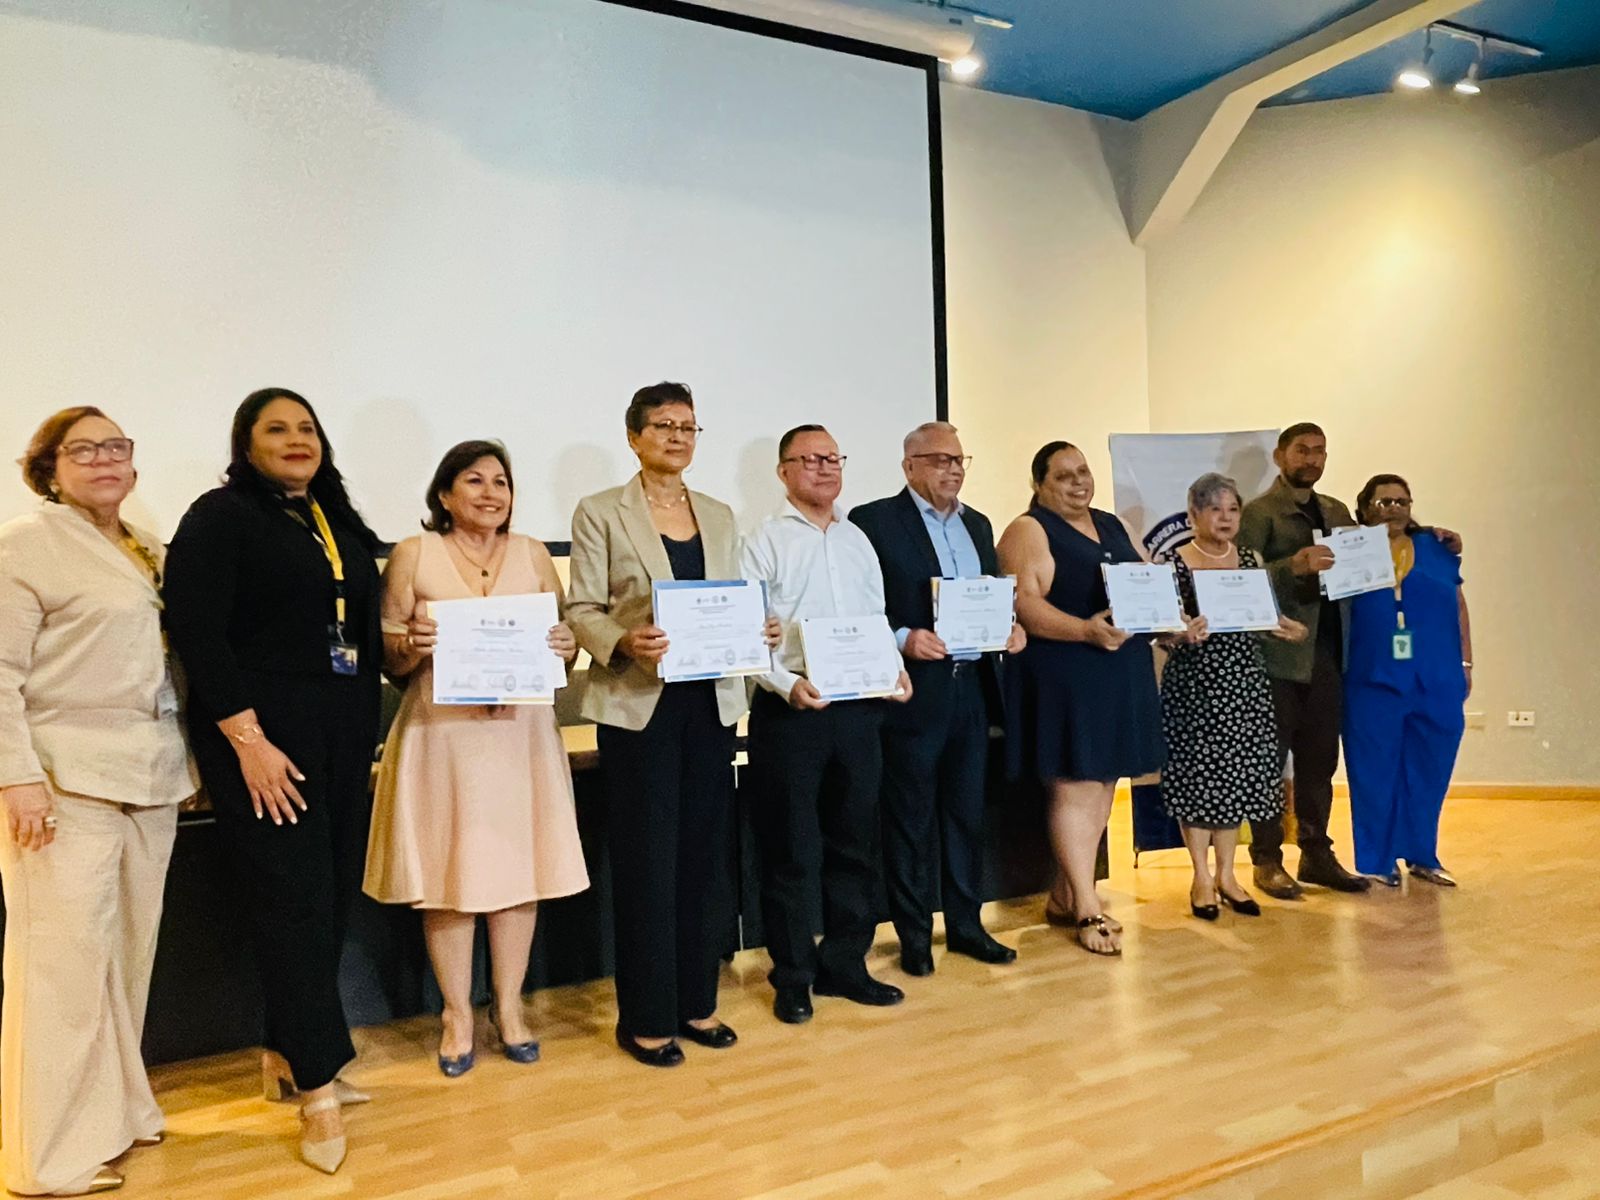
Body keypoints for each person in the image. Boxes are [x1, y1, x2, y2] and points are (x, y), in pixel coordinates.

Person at [164, 388, 382, 1175]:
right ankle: (317, 1091)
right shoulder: (220, 517)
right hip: (264, 743)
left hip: (340, 740)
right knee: (292, 904)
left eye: (307, 428)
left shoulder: (334, 520)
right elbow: (198, 633)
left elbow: (355, 629)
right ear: (246, 444)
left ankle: (287, 1054)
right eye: (277, 429)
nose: (297, 439)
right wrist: (247, 742)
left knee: (330, 897)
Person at [0, 409, 197, 1197]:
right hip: (60, 778)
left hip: (149, 775)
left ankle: (116, 1115)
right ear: (49, 469)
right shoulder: (25, 545)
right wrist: (16, 777)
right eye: (83, 450)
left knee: (124, 960)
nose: (104, 459)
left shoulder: (145, 548)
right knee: (63, 969)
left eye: (116, 446)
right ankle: (46, 1159)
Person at [567, 383, 779, 1068]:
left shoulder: (718, 514)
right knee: (647, 865)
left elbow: (729, 600)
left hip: (710, 705)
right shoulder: (600, 511)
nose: (678, 437)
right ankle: (647, 1018)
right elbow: (582, 609)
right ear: (634, 437)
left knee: (703, 863)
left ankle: (697, 1002)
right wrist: (624, 642)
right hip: (640, 709)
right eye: (663, 425)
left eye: (688, 426)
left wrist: (759, 628)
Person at [364, 441, 589, 1076]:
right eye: (474, 481)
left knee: (521, 871)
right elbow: (389, 657)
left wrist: (565, 644)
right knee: (449, 878)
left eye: (501, 482)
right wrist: (412, 645)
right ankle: (457, 1013)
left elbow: (563, 644)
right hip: (443, 737)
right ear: (444, 493)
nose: (491, 493)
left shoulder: (534, 553)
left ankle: (509, 1007)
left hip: (520, 736)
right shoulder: (414, 554)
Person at [1238, 424, 1463, 900]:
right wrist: (1293, 566)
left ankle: (1316, 854)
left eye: (1319, 451)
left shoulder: (1336, 510)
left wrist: (1430, 532)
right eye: (1302, 450)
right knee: (1269, 763)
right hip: (1279, 658)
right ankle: (1267, 859)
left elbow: (1380, 544)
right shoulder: (1260, 513)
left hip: (1330, 655)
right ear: (1280, 456)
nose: (1311, 459)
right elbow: (1239, 577)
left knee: (1320, 763)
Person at [742, 425, 913, 1023]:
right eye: (810, 459)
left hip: (858, 709)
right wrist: (785, 683)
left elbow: (876, 617)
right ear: (784, 471)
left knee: (855, 846)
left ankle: (846, 963)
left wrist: (894, 669)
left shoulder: (857, 539)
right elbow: (747, 632)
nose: (824, 468)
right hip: (792, 711)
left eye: (833, 458)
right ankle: (793, 976)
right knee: (792, 850)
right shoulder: (761, 540)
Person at [848, 421, 1024, 975]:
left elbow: (988, 596)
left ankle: (967, 926)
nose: (952, 469)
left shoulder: (979, 524)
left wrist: (1009, 628)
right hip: (914, 691)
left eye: (958, 460)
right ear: (909, 467)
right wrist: (902, 638)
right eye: (939, 460)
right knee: (910, 819)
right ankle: (915, 936)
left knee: (966, 814)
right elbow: (859, 606)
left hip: (972, 688)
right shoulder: (873, 521)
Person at [997, 442, 1167, 957]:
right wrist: (1085, 631)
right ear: (1039, 484)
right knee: (1075, 788)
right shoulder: (1029, 530)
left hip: (1120, 672)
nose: (1079, 482)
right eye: (1064, 475)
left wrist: (1172, 624)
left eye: (1083, 471)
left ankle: (1064, 895)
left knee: (1102, 786)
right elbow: (1023, 605)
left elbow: (1149, 587)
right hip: (1066, 673)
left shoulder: (1114, 525)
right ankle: (1087, 907)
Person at [1159, 473, 1307, 920]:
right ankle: (1201, 877)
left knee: (1236, 780)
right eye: (1215, 509)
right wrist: (1180, 634)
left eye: (1233, 509)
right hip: (1195, 685)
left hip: (1245, 681)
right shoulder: (1174, 562)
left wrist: (1284, 629)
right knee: (1199, 780)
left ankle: (1227, 875)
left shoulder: (1249, 558)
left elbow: (1259, 617)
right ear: (1194, 515)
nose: (1226, 518)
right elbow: (1159, 631)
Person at [1342, 475, 1471, 887]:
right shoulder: (1350, 551)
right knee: (1373, 772)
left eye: (1401, 501)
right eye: (1383, 502)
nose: (1393, 508)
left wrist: (1466, 662)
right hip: (1371, 677)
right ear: (1365, 509)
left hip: (1435, 675)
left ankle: (1422, 854)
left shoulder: (1436, 547)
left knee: (1429, 769)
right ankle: (1377, 861)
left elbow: (1457, 604)